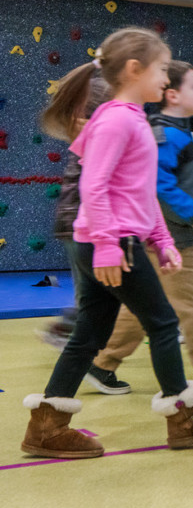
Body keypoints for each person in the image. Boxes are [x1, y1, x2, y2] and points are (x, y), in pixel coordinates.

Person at [21, 28, 193, 460]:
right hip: (109, 241)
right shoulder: (118, 118)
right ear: (134, 70)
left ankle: (47, 427)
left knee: (90, 330)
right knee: (163, 323)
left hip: (113, 237)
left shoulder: (129, 118)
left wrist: (161, 236)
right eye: (162, 69)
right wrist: (109, 244)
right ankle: (186, 420)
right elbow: (95, 184)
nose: (167, 79)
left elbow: (139, 191)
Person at [87, 61, 193, 395]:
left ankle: (101, 364)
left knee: (143, 308)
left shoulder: (188, 132)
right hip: (173, 236)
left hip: (182, 234)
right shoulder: (165, 134)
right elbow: (158, 185)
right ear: (172, 95)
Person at [34, 72, 110, 351]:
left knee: (93, 292)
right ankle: (69, 334)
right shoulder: (96, 134)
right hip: (80, 223)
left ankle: (71, 334)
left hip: (78, 221)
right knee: (94, 293)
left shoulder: (93, 133)